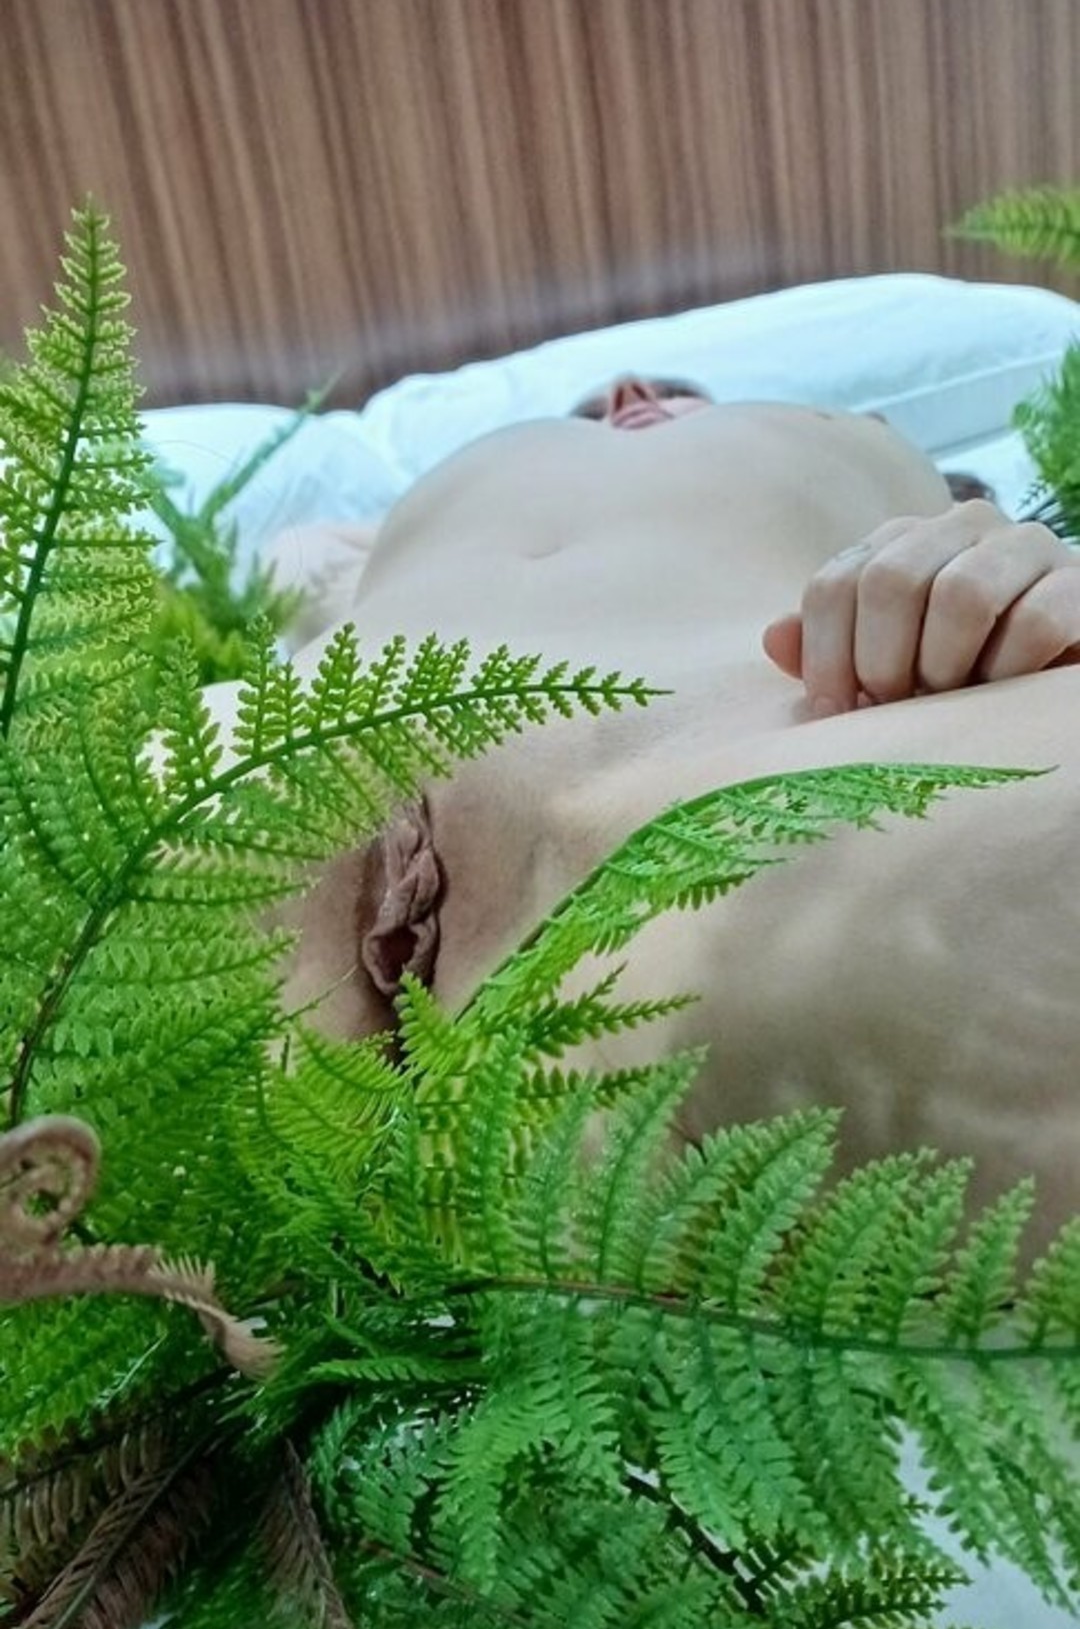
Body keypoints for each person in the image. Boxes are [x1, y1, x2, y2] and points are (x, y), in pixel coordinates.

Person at [250, 379, 1080, 1255]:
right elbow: (288, 565)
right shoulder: (359, 540)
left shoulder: (904, 476)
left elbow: (998, 576)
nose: (630, 389)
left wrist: (1019, 581)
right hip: (278, 754)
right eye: (583, 408)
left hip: (748, 777)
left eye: (692, 393)